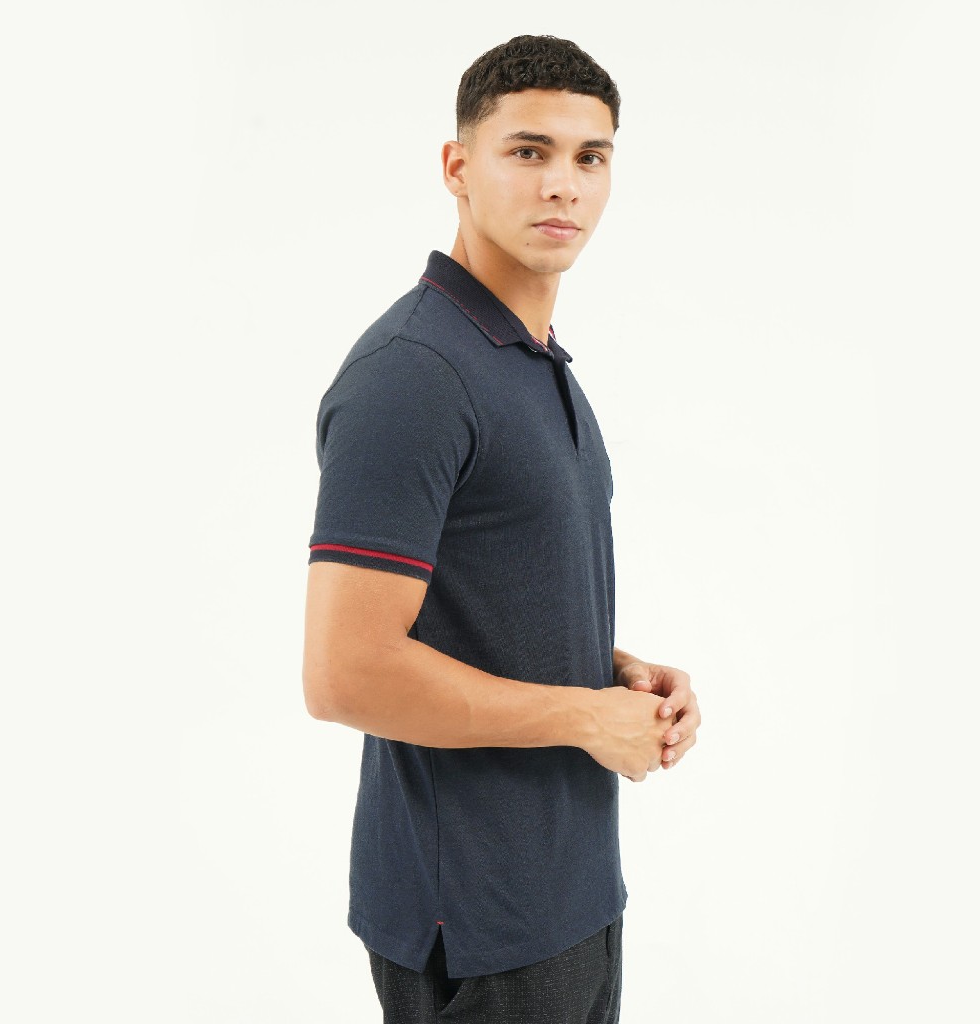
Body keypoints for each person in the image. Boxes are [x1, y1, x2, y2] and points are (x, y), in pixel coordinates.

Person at [302, 33, 701, 1023]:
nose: (563, 183)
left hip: (569, 895)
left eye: (589, 156)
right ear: (457, 167)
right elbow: (344, 672)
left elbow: (481, 602)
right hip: (478, 920)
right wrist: (584, 718)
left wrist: (615, 675)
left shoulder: (531, 361)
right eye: (528, 150)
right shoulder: (414, 375)